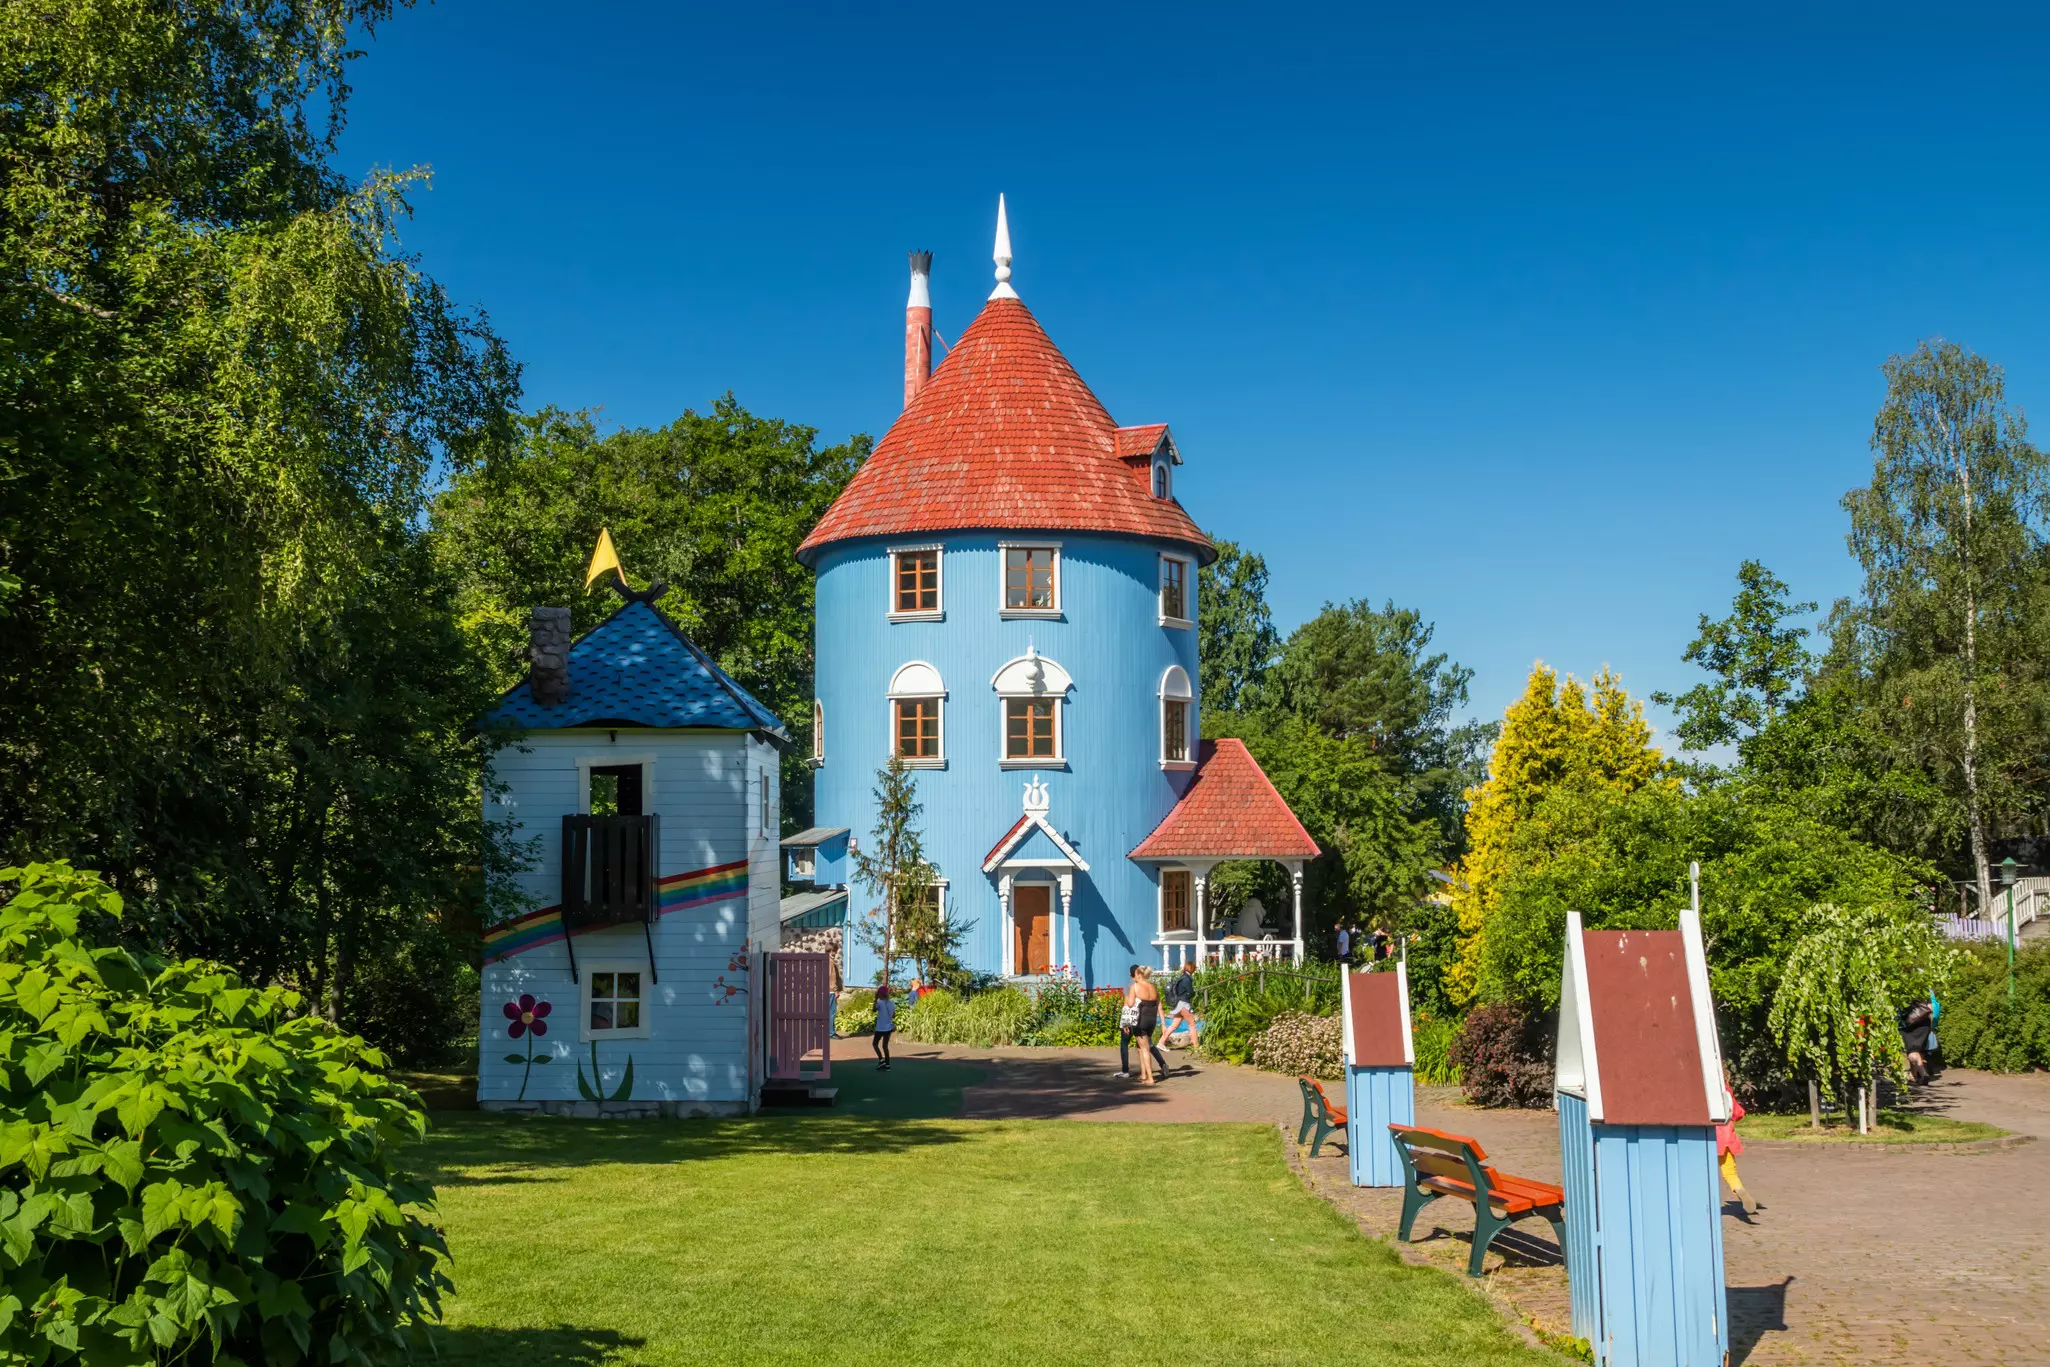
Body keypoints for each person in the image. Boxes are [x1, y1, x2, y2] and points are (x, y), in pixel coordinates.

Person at [1716, 1067, 1755, 1217]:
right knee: (1729, 1172)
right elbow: (1736, 1112)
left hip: (1708, 1135)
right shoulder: (1726, 1090)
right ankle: (1739, 1189)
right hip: (1725, 1135)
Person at [1116, 965, 1165, 1083]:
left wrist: (1126, 1023)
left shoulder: (1135, 987)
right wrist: (1163, 1023)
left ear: (1138, 975)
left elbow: (1130, 1005)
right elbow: (1159, 1006)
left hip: (1140, 1020)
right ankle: (1144, 1075)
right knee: (1143, 1047)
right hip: (1151, 1021)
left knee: (1144, 1049)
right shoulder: (1153, 987)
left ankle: (1150, 1078)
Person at [1161, 962, 1200, 1054]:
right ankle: (1196, 1045)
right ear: (1191, 968)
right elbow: (1191, 992)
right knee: (1192, 1024)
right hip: (1183, 1003)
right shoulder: (1187, 979)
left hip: (1177, 1004)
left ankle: (1161, 1042)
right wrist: (1192, 993)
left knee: (1174, 1025)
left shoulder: (1182, 977)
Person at [1900, 999, 1935, 1084]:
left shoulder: (1904, 992)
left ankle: (1923, 1073)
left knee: (1912, 1051)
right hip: (1925, 1025)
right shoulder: (1926, 990)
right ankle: (1913, 1076)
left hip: (1910, 1025)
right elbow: (1931, 1009)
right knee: (1916, 1050)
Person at [872, 983, 896, 1071]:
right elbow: (893, 1015)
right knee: (885, 1046)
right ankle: (887, 1065)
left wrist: (875, 999)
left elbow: (873, 1010)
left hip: (880, 1027)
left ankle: (881, 1059)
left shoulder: (879, 1003)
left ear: (879, 994)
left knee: (875, 1044)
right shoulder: (891, 1003)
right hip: (888, 1027)